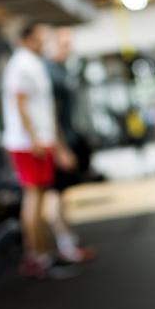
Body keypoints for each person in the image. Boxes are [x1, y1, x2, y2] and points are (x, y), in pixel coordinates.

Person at [1, 22, 79, 279]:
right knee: (34, 199)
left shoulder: (35, 63)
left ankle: (45, 253)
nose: (43, 43)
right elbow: (20, 104)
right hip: (27, 144)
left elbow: (44, 109)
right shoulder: (21, 65)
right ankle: (36, 256)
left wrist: (56, 144)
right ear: (26, 39)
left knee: (41, 197)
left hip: (40, 141)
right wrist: (34, 139)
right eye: (39, 39)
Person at [43, 27, 96, 264]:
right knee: (54, 196)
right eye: (64, 44)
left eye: (69, 44)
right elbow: (50, 116)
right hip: (55, 144)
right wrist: (60, 148)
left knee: (61, 195)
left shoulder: (61, 71)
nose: (68, 48)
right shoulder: (50, 74)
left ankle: (67, 239)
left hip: (67, 138)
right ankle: (63, 245)